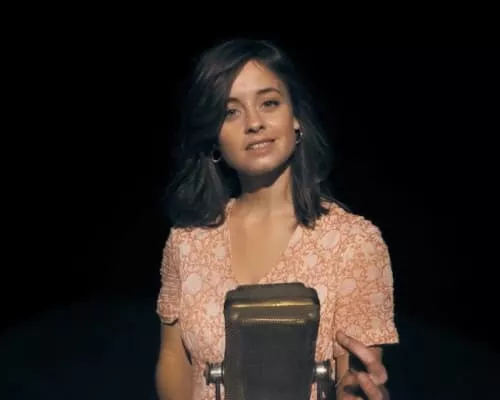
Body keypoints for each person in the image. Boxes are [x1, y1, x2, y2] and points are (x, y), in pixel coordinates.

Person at [154, 38, 399, 400]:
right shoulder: (186, 241)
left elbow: (356, 373)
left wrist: (356, 390)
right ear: (213, 137)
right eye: (230, 112)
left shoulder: (355, 243)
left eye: (269, 103)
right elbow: (174, 358)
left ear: (295, 118)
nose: (254, 123)